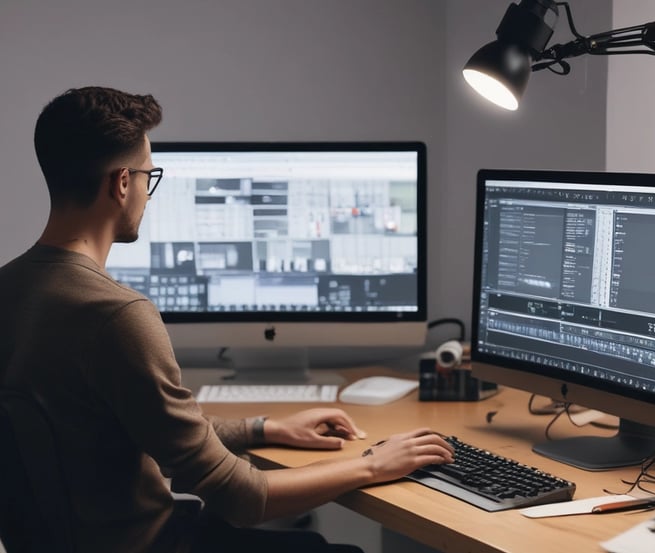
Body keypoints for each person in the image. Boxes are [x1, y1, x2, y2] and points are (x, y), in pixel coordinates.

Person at [0, 86, 454, 553]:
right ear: (121, 183)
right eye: (148, 178)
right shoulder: (116, 315)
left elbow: (147, 425)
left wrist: (265, 428)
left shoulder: (9, 290)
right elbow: (244, 498)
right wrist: (374, 463)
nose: (147, 194)